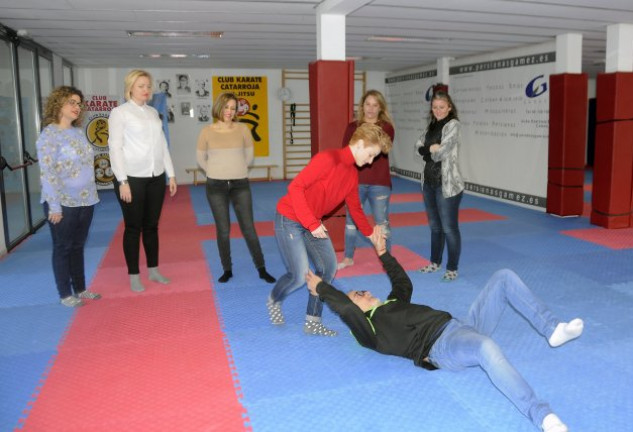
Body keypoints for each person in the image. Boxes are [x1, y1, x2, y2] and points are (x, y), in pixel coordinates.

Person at [306, 228, 582, 432]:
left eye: (362, 290)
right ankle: (542, 415)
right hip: (442, 347)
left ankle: (552, 329)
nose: (364, 291)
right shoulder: (371, 332)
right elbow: (346, 309)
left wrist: (382, 252)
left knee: (504, 277)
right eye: (357, 294)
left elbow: (403, 284)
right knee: (486, 348)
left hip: (462, 325)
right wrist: (322, 288)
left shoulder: (390, 304)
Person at [267, 123, 392, 336]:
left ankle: (312, 321)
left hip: (311, 222)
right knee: (298, 276)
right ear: (360, 144)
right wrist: (312, 223)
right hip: (289, 218)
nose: (370, 162)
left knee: (328, 267)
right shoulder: (328, 159)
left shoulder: (352, 174)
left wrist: (371, 234)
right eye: (371, 155)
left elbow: (355, 208)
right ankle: (274, 300)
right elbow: (295, 188)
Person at [108, 69, 178, 292]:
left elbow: (162, 145)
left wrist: (171, 174)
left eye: (148, 86)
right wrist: (122, 181)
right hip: (131, 178)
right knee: (133, 227)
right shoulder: (120, 113)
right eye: (141, 86)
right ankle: (133, 275)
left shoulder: (152, 113)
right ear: (130, 88)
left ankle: (154, 270)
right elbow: (115, 148)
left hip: (155, 177)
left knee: (151, 226)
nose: (146, 90)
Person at [196, 92, 275, 284]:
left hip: (240, 184)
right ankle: (227, 269)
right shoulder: (207, 131)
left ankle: (261, 268)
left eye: (233, 108)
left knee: (249, 228)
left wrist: (236, 170)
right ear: (219, 107)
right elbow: (200, 159)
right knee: (223, 230)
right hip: (216, 186)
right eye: (226, 107)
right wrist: (215, 172)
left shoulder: (243, 129)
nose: (229, 111)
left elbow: (249, 157)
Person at [36, 86, 101, 307]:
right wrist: (54, 206)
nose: (77, 107)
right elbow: (48, 173)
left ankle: (80, 289)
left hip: (86, 200)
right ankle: (65, 294)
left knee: (78, 246)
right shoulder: (49, 135)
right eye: (71, 102)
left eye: (79, 103)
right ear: (58, 104)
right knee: (63, 247)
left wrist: (91, 195)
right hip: (63, 202)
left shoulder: (78, 132)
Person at [337, 90, 396, 270]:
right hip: (355, 181)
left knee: (381, 222)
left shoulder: (386, 128)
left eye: (375, 105)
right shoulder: (352, 127)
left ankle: (387, 260)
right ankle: (348, 258)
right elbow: (346, 153)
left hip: (380, 182)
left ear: (380, 108)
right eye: (367, 104)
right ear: (362, 106)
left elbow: (382, 150)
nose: (370, 109)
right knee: (351, 221)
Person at [415, 90, 464, 281]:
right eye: (434, 107)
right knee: (435, 227)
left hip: (448, 185)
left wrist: (427, 151)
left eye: (442, 107)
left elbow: (441, 153)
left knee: (449, 228)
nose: (438, 110)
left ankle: (452, 267)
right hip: (428, 183)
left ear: (449, 107)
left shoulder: (454, 125)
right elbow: (417, 147)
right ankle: (435, 262)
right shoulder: (431, 126)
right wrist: (429, 149)